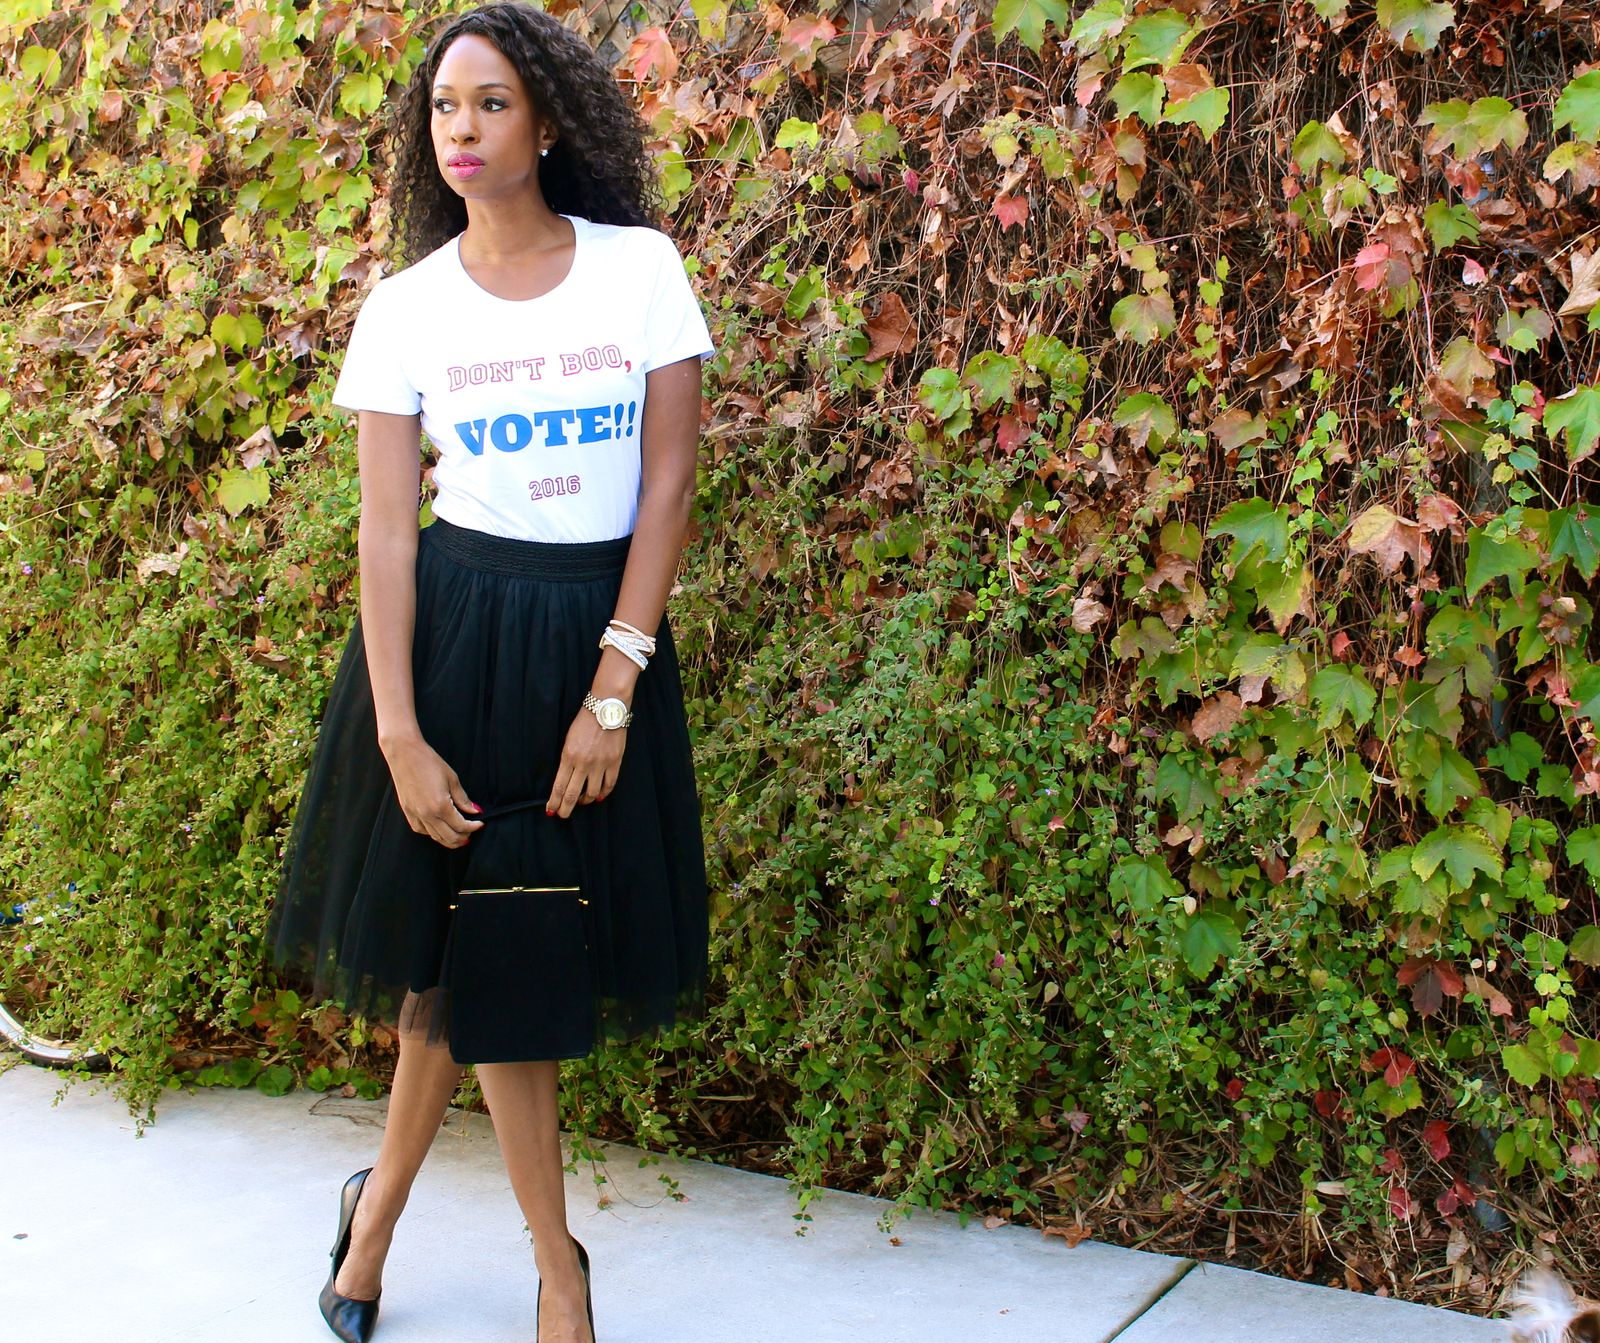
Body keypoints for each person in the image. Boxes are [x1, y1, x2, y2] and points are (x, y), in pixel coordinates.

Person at [263, 4, 714, 1340]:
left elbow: (669, 484)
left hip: (596, 642)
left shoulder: (638, 271)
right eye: (444, 108)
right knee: (476, 961)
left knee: (484, 966)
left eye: (493, 103)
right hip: (456, 646)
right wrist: (398, 732)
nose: (461, 129)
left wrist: (613, 688)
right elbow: (387, 533)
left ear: (551, 120)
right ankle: (554, 1273)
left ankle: (375, 1228)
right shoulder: (407, 308)